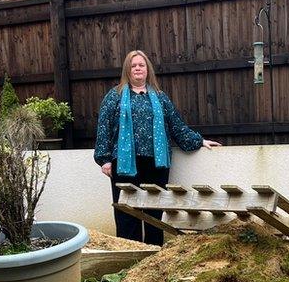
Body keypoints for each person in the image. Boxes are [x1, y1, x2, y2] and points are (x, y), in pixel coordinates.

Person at [94, 49, 221, 245]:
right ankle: (130, 255)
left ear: (147, 69)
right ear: (127, 70)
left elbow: (176, 125)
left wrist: (199, 141)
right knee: (127, 212)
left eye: (141, 65)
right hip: (125, 163)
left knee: (154, 211)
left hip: (156, 163)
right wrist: (104, 159)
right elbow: (104, 127)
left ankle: (153, 254)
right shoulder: (115, 96)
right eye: (133, 65)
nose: (137, 68)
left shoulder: (160, 97)